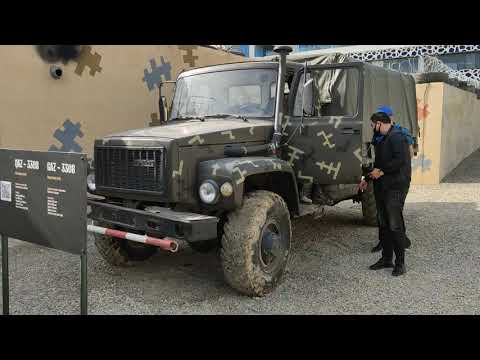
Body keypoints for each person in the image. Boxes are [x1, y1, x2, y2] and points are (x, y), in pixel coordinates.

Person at [358, 110, 411, 276]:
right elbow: (378, 164)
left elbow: (399, 161)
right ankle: (386, 258)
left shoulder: (397, 136)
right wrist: (367, 177)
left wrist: (381, 172)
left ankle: (400, 263)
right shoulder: (383, 139)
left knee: (395, 225)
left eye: (373, 125)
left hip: (395, 187)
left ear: (380, 123)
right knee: (384, 224)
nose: (373, 128)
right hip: (382, 186)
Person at [369, 105, 413, 253]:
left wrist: (382, 171)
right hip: (384, 181)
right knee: (383, 218)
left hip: (397, 181)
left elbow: (404, 158)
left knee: (394, 217)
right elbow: (378, 158)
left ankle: (402, 243)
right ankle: (385, 245)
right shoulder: (379, 135)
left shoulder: (399, 134)